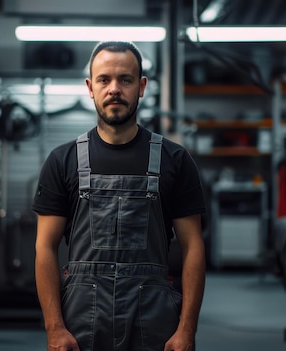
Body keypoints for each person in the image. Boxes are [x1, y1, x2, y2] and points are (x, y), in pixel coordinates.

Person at [32, 41, 206, 351]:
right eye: (104, 79)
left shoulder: (175, 160)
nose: (114, 89)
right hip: (81, 322)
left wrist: (186, 330)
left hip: (154, 323)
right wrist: (54, 328)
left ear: (141, 87)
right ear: (90, 87)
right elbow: (45, 247)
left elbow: (193, 246)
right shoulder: (63, 161)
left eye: (125, 79)